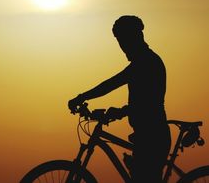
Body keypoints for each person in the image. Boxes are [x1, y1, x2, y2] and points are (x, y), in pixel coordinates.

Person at [68, 15, 171, 183]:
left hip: (152, 136)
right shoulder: (142, 62)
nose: (122, 47)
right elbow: (113, 85)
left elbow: (147, 104)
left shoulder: (146, 63)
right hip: (146, 136)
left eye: (124, 40)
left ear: (135, 37)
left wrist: (84, 98)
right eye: (119, 42)